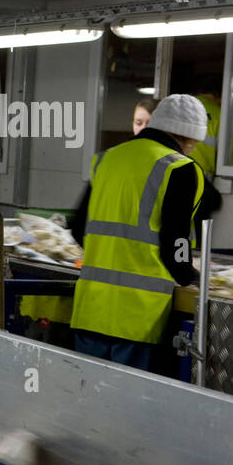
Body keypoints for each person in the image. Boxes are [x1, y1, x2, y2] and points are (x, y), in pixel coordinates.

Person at [69, 94, 214, 371]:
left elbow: (78, 229)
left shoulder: (106, 159)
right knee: (128, 409)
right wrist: (188, 274)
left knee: (88, 403)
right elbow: (177, 243)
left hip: (91, 309)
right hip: (139, 317)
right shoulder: (180, 168)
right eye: (193, 144)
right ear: (187, 138)